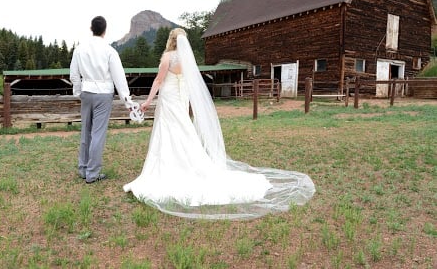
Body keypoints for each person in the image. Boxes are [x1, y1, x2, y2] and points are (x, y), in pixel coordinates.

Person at [123, 28, 315, 219]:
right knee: (184, 129)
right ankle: (188, 162)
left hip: (169, 98)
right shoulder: (187, 60)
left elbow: (158, 80)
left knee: (168, 131)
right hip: (180, 100)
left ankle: (168, 167)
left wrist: (147, 101)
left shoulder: (168, 57)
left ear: (170, 40)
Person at [70, 16, 135, 184]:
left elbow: (74, 74)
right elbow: (119, 77)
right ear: (105, 30)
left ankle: (83, 168)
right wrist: (127, 100)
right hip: (104, 94)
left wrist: (78, 92)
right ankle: (92, 173)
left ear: (91, 28)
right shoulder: (110, 51)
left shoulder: (79, 49)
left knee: (86, 131)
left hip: (86, 91)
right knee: (98, 133)